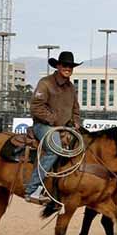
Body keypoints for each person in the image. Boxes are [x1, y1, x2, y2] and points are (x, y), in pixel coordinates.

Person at [25, 51, 83, 204]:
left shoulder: (71, 87)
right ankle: (32, 189)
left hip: (64, 127)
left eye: (70, 66)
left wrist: (76, 122)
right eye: (65, 65)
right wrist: (54, 120)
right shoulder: (46, 83)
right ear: (58, 66)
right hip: (43, 125)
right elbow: (36, 107)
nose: (68, 68)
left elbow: (76, 110)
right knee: (54, 148)